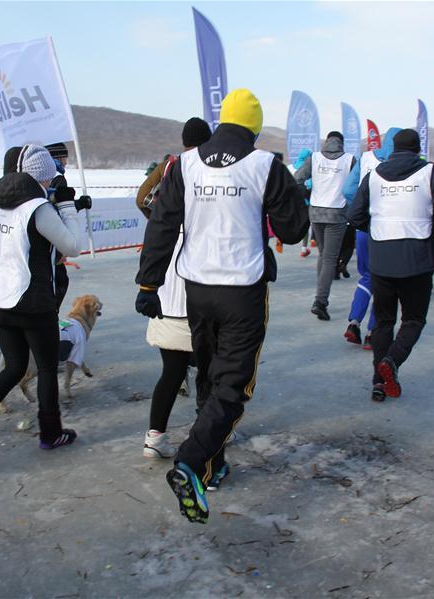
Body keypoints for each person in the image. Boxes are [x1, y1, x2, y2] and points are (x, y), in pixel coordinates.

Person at [135, 88, 309, 523]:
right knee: (233, 385)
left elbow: (161, 222)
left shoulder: (186, 163)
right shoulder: (265, 164)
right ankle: (192, 462)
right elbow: (293, 231)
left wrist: (148, 283)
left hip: (197, 289)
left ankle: (212, 465)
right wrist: (287, 197)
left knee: (210, 374)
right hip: (241, 290)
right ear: (254, 127)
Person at [0, 144, 85, 467]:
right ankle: (50, 432)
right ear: (43, 176)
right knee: (44, 367)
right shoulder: (38, 208)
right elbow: (73, 246)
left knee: (14, 368)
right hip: (31, 300)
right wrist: (67, 206)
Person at [0, 145, 91, 385]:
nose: (60, 166)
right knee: (36, 365)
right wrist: (66, 209)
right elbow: (67, 242)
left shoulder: (0, 198)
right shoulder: (26, 203)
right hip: (27, 287)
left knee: (14, 366)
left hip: (10, 286)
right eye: (57, 161)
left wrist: (74, 205)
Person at [349, 129, 434, 402]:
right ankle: (392, 361)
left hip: (382, 257)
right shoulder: (430, 173)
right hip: (418, 259)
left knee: (384, 321)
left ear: (392, 148)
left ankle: (379, 381)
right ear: (417, 148)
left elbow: (354, 214)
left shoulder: (373, 175)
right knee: (413, 319)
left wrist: (376, 230)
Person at [134, 117, 213, 460]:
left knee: (172, 370)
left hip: (166, 281)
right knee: (209, 368)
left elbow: (141, 198)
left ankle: (154, 437)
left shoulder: (171, 167)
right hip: (200, 280)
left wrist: (158, 221)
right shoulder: (212, 170)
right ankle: (207, 432)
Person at [341, 127, 400, 347]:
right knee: (384, 281)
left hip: (364, 227)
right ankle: (372, 332)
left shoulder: (365, 158)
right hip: (389, 230)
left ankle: (354, 322)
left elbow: (347, 190)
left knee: (366, 277)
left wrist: (362, 205)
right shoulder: (404, 166)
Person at [294, 132, 356, 320]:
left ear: (326, 141)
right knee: (330, 258)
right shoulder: (350, 159)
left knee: (323, 254)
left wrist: (308, 193)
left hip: (316, 212)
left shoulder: (314, 157)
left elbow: (297, 178)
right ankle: (320, 301)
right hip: (337, 213)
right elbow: (355, 186)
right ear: (341, 143)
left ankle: (321, 291)